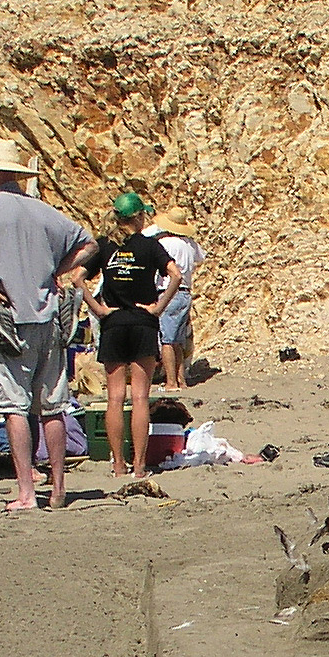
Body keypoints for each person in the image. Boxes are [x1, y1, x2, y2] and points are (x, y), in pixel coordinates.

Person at [0, 139, 97, 510]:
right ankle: (59, 488)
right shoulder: (44, 211)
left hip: (10, 319)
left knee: (15, 405)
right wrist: (57, 272)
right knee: (53, 405)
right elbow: (89, 244)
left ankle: (27, 492)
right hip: (49, 317)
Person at [77, 192, 184, 479]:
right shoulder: (150, 247)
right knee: (140, 397)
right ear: (139, 218)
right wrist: (158, 307)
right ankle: (139, 466)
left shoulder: (105, 246)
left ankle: (117, 464)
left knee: (114, 398)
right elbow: (176, 274)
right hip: (142, 322)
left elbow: (76, 278)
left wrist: (98, 308)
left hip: (113, 322)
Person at [144, 205, 207, 390]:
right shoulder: (189, 243)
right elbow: (201, 258)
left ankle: (171, 381)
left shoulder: (162, 243)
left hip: (168, 292)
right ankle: (181, 380)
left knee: (167, 340)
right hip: (186, 292)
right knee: (178, 340)